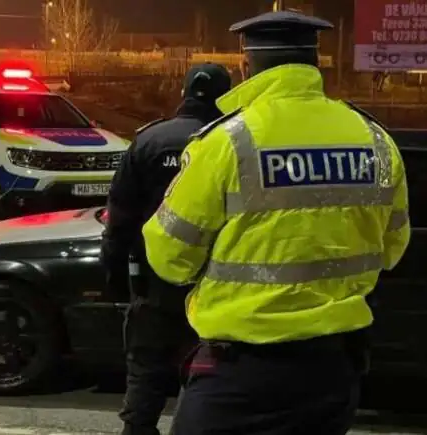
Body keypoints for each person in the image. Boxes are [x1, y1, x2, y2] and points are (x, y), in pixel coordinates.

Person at [142, 10, 411, 435]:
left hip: (241, 374)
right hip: (333, 371)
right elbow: (392, 249)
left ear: (245, 64)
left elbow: (170, 257)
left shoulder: (228, 142)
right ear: (315, 62)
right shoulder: (375, 140)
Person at [101, 63, 232, 435]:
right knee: (206, 380)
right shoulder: (233, 142)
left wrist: (115, 278)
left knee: (146, 376)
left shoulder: (149, 140)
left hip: (154, 285)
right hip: (214, 287)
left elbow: (119, 219)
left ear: (183, 92)